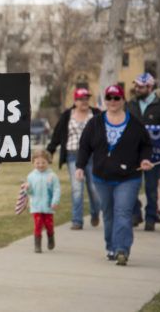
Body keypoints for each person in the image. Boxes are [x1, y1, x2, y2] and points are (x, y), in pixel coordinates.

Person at [76, 84, 153, 266]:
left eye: (116, 98)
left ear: (123, 100)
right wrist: (80, 166)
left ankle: (122, 250)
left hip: (129, 177)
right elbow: (85, 146)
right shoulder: (95, 122)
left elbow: (146, 145)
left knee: (123, 212)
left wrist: (144, 160)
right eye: (109, 98)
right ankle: (111, 246)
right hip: (102, 177)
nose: (112, 102)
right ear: (105, 100)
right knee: (109, 214)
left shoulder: (134, 123)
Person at [47, 87, 101, 230]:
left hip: (92, 156)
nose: (84, 101)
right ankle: (77, 221)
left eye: (86, 99)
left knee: (94, 188)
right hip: (73, 156)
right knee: (77, 188)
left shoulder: (96, 114)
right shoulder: (67, 115)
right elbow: (57, 134)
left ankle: (95, 213)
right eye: (81, 99)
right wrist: (50, 150)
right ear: (75, 101)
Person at [126, 73, 160, 231]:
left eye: (140, 86)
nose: (137, 89)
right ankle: (135, 214)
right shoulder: (130, 104)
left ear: (150, 87)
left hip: (153, 153)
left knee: (151, 187)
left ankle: (151, 218)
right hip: (132, 152)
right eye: (136, 86)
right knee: (131, 185)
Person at [22, 150, 61, 253]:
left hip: (49, 205)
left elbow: (57, 189)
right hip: (36, 206)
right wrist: (27, 188)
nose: (40, 165)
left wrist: (55, 201)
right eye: (37, 163)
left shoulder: (52, 176)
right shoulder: (31, 176)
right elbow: (30, 192)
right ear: (33, 163)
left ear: (48, 162)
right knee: (38, 225)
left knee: (49, 225)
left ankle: (51, 237)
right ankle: (37, 245)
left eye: (43, 162)